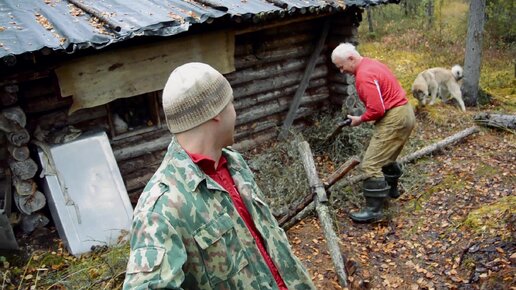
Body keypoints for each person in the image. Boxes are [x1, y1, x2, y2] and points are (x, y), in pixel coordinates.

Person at [122, 62, 315, 289]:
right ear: (215, 112)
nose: (235, 112)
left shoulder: (233, 162)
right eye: (231, 103)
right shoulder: (161, 208)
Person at [331, 43, 416, 223]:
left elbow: (377, 110)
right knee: (386, 157)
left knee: (370, 164)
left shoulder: (363, 75)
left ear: (351, 59)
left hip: (395, 117)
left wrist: (359, 119)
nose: (341, 71)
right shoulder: (372, 63)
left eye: (341, 66)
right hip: (405, 111)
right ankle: (391, 190)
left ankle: (373, 211)